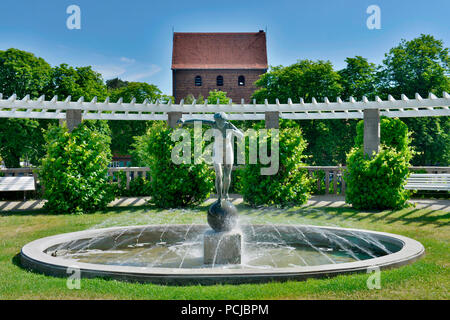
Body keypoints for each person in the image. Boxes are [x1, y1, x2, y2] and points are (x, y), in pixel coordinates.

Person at [178, 112, 243, 202]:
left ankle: (226, 193)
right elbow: (199, 121)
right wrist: (185, 121)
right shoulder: (213, 124)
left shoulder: (229, 125)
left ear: (224, 120)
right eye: (217, 121)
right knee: (218, 174)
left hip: (228, 150)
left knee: (227, 173)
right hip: (217, 150)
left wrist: (235, 132)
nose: (219, 123)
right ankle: (219, 196)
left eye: (220, 121)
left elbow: (241, 135)